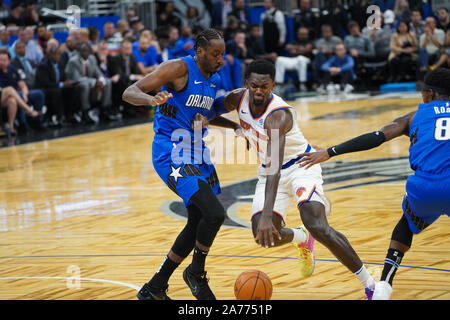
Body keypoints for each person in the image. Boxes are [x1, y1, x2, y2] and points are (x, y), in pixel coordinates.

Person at [207, 59, 376, 300]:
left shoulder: (279, 115)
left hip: (300, 166)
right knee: (263, 237)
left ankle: (369, 284)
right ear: (246, 84)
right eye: (254, 85)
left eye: (264, 86)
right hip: (269, 170)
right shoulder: (236, 98)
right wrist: (238, 129)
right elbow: (208, 112)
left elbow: (276, 165)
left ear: (273, 85)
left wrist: (267, 214)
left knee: (317, 225)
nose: (258, 90)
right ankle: (301, 238)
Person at [296, 67, 450, 300]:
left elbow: (376, 138)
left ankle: (385, 285)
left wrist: (330, 151)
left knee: (406, 225)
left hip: (423, 189)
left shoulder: (413, 116)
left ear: (429, 94)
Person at [122, 28, 228, 300]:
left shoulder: (213, 78)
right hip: (171, 151)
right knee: (214, 213)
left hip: (197, 152)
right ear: (200, 51)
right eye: (216, 54)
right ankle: (196, 272)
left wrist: (237, 127)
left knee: (198, 220)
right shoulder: (179, 68)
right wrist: (150, 99)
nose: (220, 60)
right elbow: (129, 91)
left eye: (223, 54)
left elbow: (204, 114)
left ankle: (155, 287)